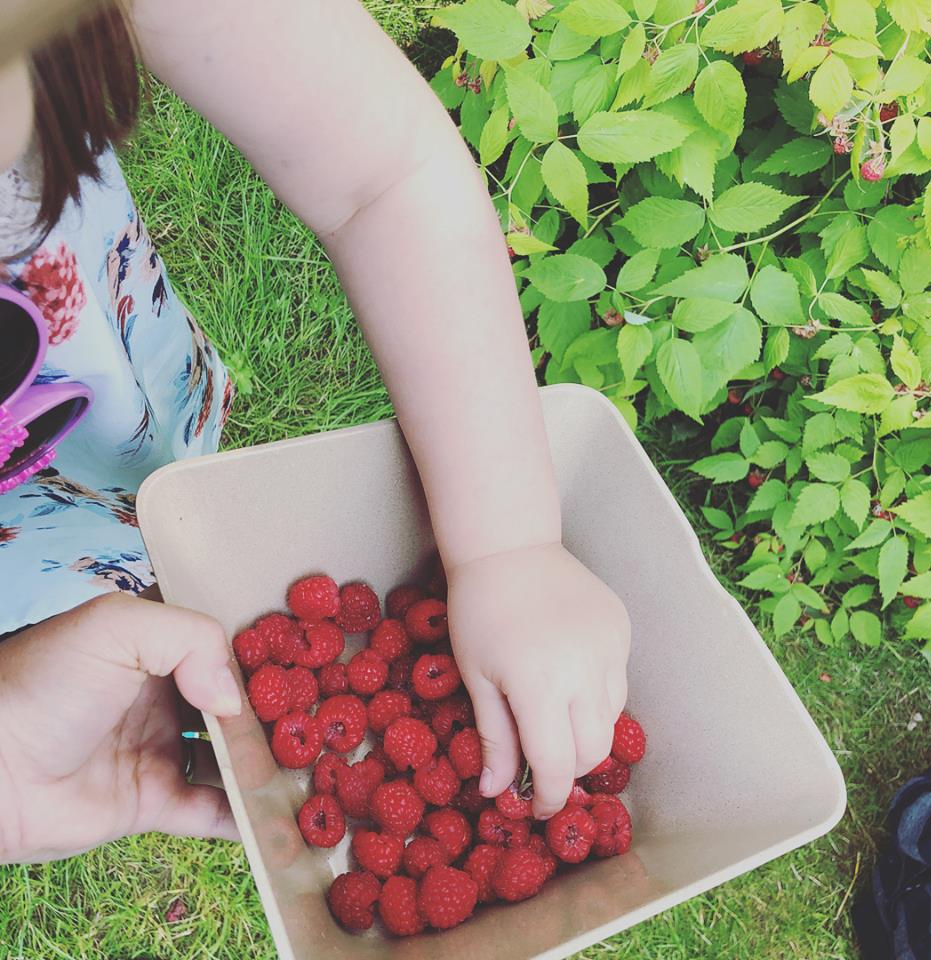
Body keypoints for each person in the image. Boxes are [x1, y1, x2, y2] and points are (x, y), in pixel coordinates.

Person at [0, 0, 631, 865]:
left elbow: (383, 174)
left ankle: (122, 537)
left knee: (146, 505)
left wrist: (509, 546)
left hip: (92, 431)